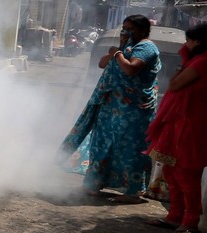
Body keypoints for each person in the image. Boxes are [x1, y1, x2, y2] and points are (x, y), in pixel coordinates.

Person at [61, 14, 162, 203]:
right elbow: (102, 63)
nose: (125, 32)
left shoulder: (147, 48)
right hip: (111, 106)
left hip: (134, 111)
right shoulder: (125, 48)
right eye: (124, 28)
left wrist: (118, 53)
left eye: (130, 28)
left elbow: (131, 68)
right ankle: (93, 184)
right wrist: (117, 51)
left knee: (131, 150)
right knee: (102, 145)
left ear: (142, 30)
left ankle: (133, 192)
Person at [145, 23, 207, 233]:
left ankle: (191, 222)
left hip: (192, 125)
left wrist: (182, 63)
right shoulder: (203, 60)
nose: (186, 44)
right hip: (181, 122)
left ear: (198, 43)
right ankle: (174, 216)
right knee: (172, 172)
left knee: (186, 175)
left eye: (189, 40)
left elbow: (174, 85)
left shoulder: (204, 62)